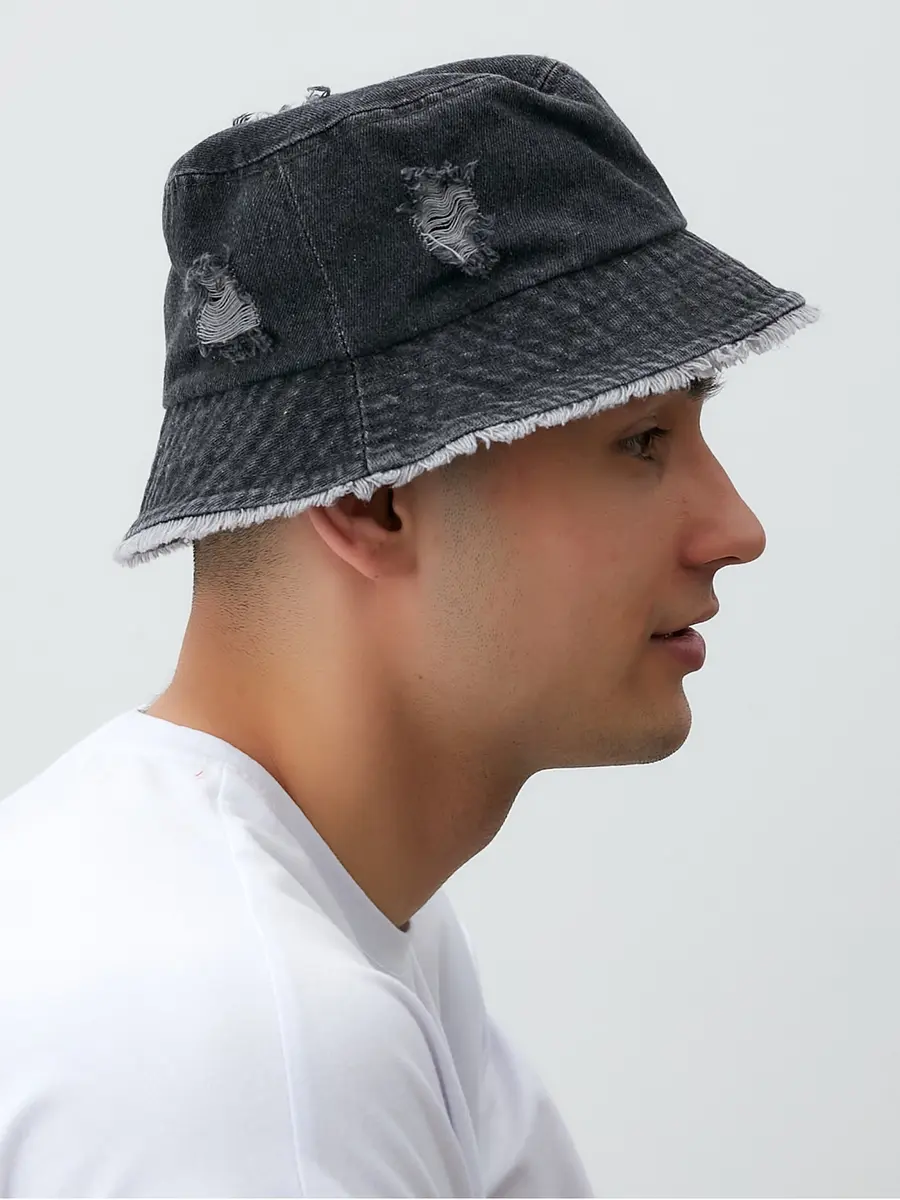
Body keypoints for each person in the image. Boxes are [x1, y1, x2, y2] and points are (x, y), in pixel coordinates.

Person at [0, 54, 820, 1197]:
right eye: (641, 442)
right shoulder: (246, 1045)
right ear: (371, 497)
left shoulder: (351, 929)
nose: (737, 529)